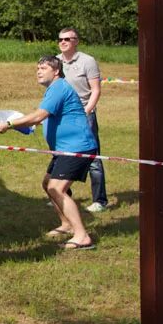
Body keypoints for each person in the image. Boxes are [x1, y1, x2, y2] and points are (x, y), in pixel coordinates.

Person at [0, 56, 97, 250]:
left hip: (76, 148)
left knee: (56, 188)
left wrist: (9, 124)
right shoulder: (54, 89)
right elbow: (45, 117)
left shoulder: (59, 87)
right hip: (64, 149)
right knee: (47, 183)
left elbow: (39, 115)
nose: (38, 71)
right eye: (37, 68)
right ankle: (67, 224)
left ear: (56, 71)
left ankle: (82, 236)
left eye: (43, 68)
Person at [56, 27, 109, 213]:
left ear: (76, 41)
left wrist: (87, 111)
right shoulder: (56, 62)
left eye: (68, 39)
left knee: (92, 158)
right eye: (61, 39)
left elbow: (95, 89)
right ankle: (62, 194)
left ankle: (100, 200)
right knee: (61, 155)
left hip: (84, 114)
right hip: (62, 116)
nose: (63, 42)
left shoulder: (88, 61)